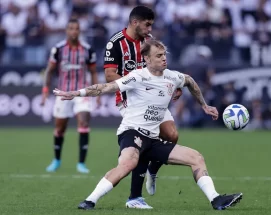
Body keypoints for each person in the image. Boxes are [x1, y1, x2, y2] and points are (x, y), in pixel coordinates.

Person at [53, 39, 243, 210]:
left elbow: (190, 81)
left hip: (152, 139)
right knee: (128, 163)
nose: (163, 59)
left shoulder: (172, 76)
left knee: (196, 157)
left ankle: (216, 199)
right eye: (158, 56)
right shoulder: (137, 77)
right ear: (147, 59)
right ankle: (89, 201)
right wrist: (76, 94)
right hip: (132, 133)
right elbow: (105, 87)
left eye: (164, 55)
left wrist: (204, 105)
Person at [103, 5, 182, 208]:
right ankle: (135, 196)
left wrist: (172, 85)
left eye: (151, 25)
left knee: (172, 135)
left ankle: (153, 169)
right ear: (134, 22)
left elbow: (160, 67)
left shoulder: (149, 42)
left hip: (154, 97)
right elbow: (110, 75)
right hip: (131, 100)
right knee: (145, 137)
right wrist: (139, 86)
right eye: (147, 25)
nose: (149, 29)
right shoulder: (116, 43)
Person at [41, 19, 100, 174]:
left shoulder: (88, 49)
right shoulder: (58, 49)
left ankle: (81, 163)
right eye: (71, 28)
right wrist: (46, 89)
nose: (74, 31)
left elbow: (93, 72)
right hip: (63, 92)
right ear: (67, 31)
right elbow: (49, 70)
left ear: (79, 31)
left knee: (84, 122)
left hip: (82, 93)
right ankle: (57, 160)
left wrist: (98, 93)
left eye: (77, 28)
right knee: (60, 128)